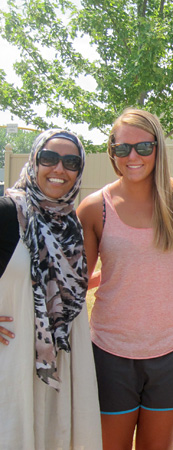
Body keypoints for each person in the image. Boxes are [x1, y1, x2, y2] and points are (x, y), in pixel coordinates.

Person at [77, 109, 173, 450]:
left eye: (143, 147)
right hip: (109, 351)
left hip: (171, 349)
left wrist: (161, 286)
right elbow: (74, 284)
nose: (132, 156)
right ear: (112, 151)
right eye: (122, 148)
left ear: (158, 147)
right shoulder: (93, 208)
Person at [0, 129, 102, 449]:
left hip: (62, 357)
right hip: (11, 357)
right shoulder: (7, 212)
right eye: (49, 158)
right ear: (34, 161)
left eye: (71, 162)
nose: (59, 169)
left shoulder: (71, 224)